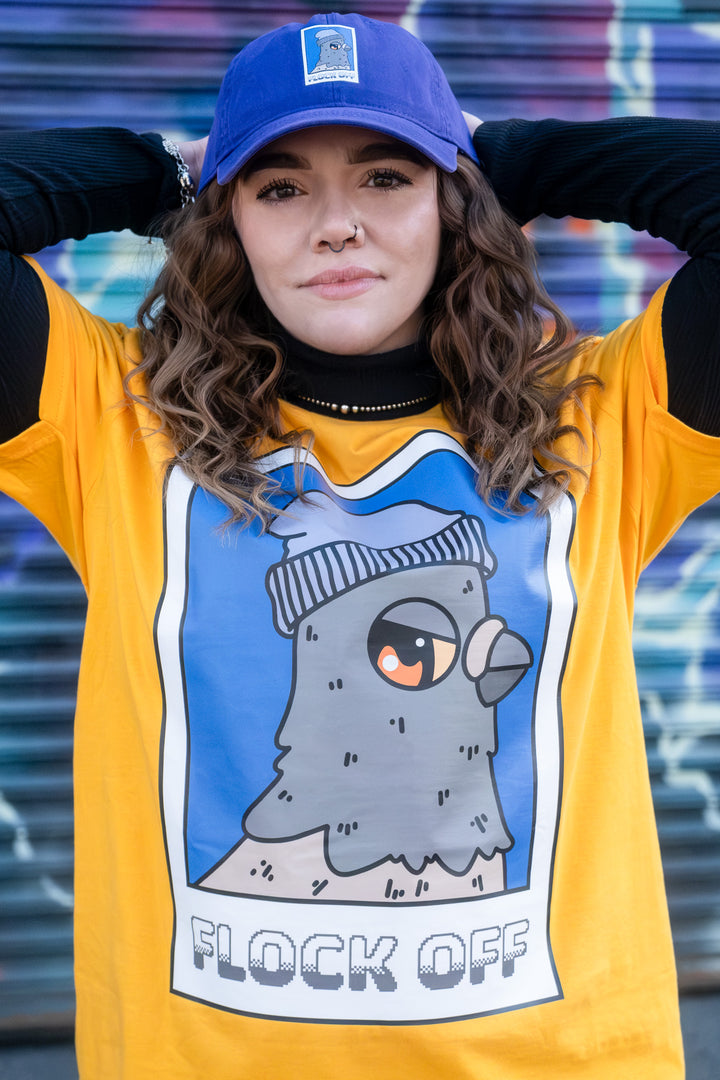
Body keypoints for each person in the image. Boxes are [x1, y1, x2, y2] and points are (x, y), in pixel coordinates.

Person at [1, 11, 719, 1079]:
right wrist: (156, 171)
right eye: (280, 186)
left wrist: (513, 158)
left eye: (388, 177)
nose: (336, 225)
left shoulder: (604, 415)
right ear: (227, 219)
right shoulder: (112, 415)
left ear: (451, 204)